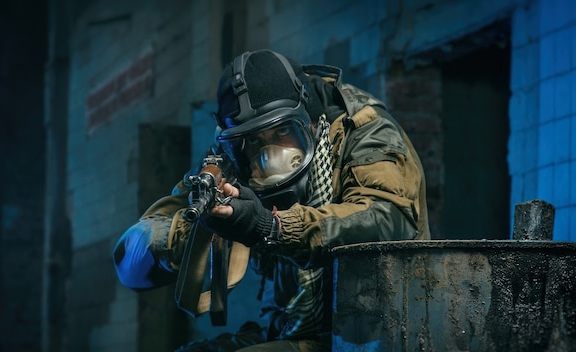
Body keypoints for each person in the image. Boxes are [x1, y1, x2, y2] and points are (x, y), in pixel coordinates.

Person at [112, 49, 431, 351]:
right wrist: (196, 229)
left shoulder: (362, 130)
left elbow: (388, 220)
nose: (270, 160)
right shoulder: (230, 158)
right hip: (293, 328)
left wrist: (271, 227)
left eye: (282, 133)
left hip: (375, 329)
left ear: (306, 117)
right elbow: (131, 261)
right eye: (255, 142)